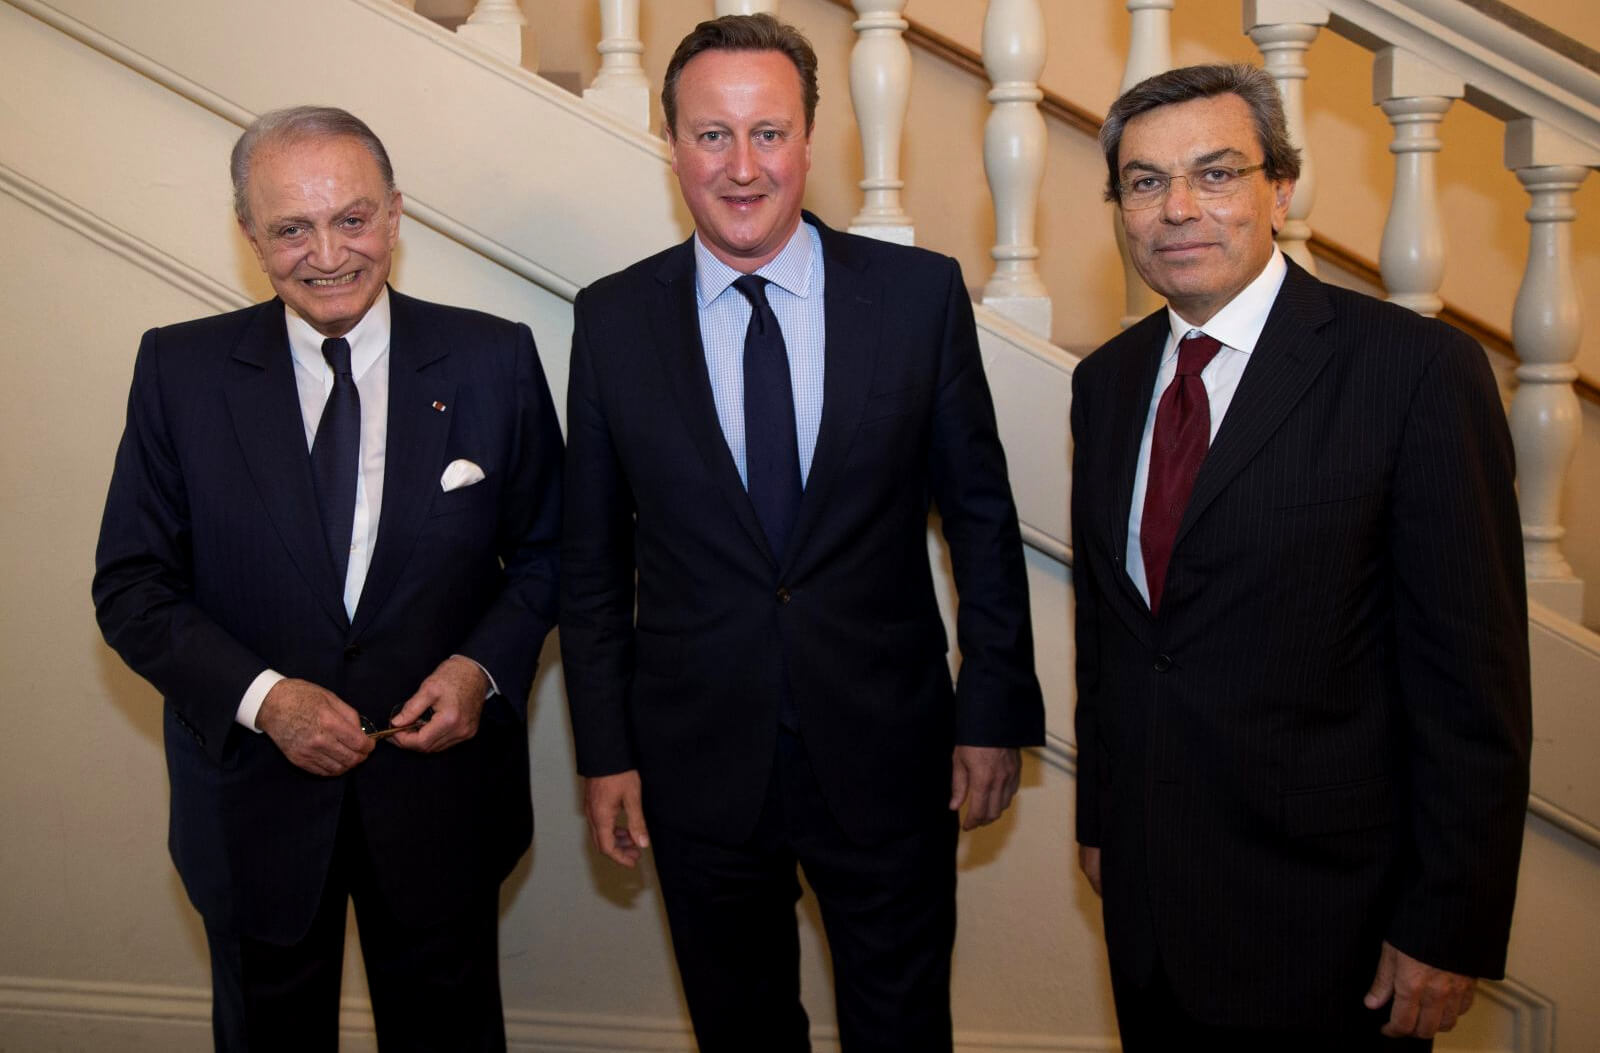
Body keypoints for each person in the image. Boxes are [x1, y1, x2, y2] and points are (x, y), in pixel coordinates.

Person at [560, 14, 1044, 1052]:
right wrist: (603, 751)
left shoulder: (916, 301)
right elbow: (592, 564)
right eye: (711, 136)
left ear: (812, 140)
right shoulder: (610, 321)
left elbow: (982, 519)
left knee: (903, 1028)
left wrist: (993, 707)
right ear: (672, 143)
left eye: (768, 133)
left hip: (888, 749)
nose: (742, 168)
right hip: (696, 765)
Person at [1070, 63, 1532, 1050]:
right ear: (1118, 208)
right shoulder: (1104, 387)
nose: (1179, 207)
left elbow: (1472, 684)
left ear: (1279, 186)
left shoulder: (1413, 372)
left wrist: (1445, 922)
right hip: (1150, 908)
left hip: (1334, 925)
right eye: (1145, 182)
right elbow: (1114, 636)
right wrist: (1104, 819)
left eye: (1216, 172)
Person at [92, 106, 562, 1051]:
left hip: (441, 807)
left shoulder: (493, 357)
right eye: (291, 228)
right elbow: (132, 585)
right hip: (253, 812)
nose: (328, 253)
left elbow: (556, 554)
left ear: (395, 216)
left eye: (351, 219)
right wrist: (265, 701)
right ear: (249, 236)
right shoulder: (179, 370)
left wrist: (480, 668)